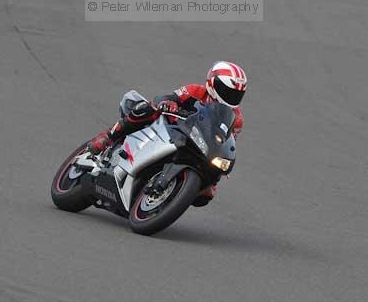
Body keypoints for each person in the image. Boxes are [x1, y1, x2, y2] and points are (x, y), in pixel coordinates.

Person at [84, 61, 247, 206]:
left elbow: (223, 142)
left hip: (196, 144)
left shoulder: (236, 118)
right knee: (148, 109)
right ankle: (107, 138)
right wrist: (167, 103)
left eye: (236, 94)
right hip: (169, 126)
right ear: (212, 84)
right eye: (226, 90)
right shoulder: (195, 91)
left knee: (206, 193)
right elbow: (167, 97)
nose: (230, 96)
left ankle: (169, 193)